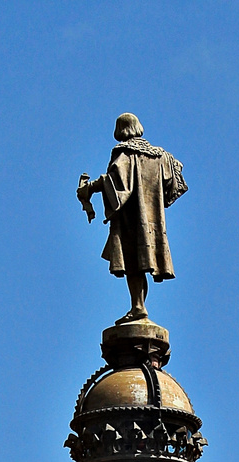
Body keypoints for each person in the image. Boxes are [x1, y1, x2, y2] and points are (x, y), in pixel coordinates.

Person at [77, 114, 187, 322]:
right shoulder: (160, 155)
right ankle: (139, 306)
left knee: (133, 264)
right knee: (142, 265)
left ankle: (138, 306)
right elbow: (176, 178)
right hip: (153, 222)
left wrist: (90, 188)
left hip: (130, 219)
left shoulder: (124, 153)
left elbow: (117, 182)